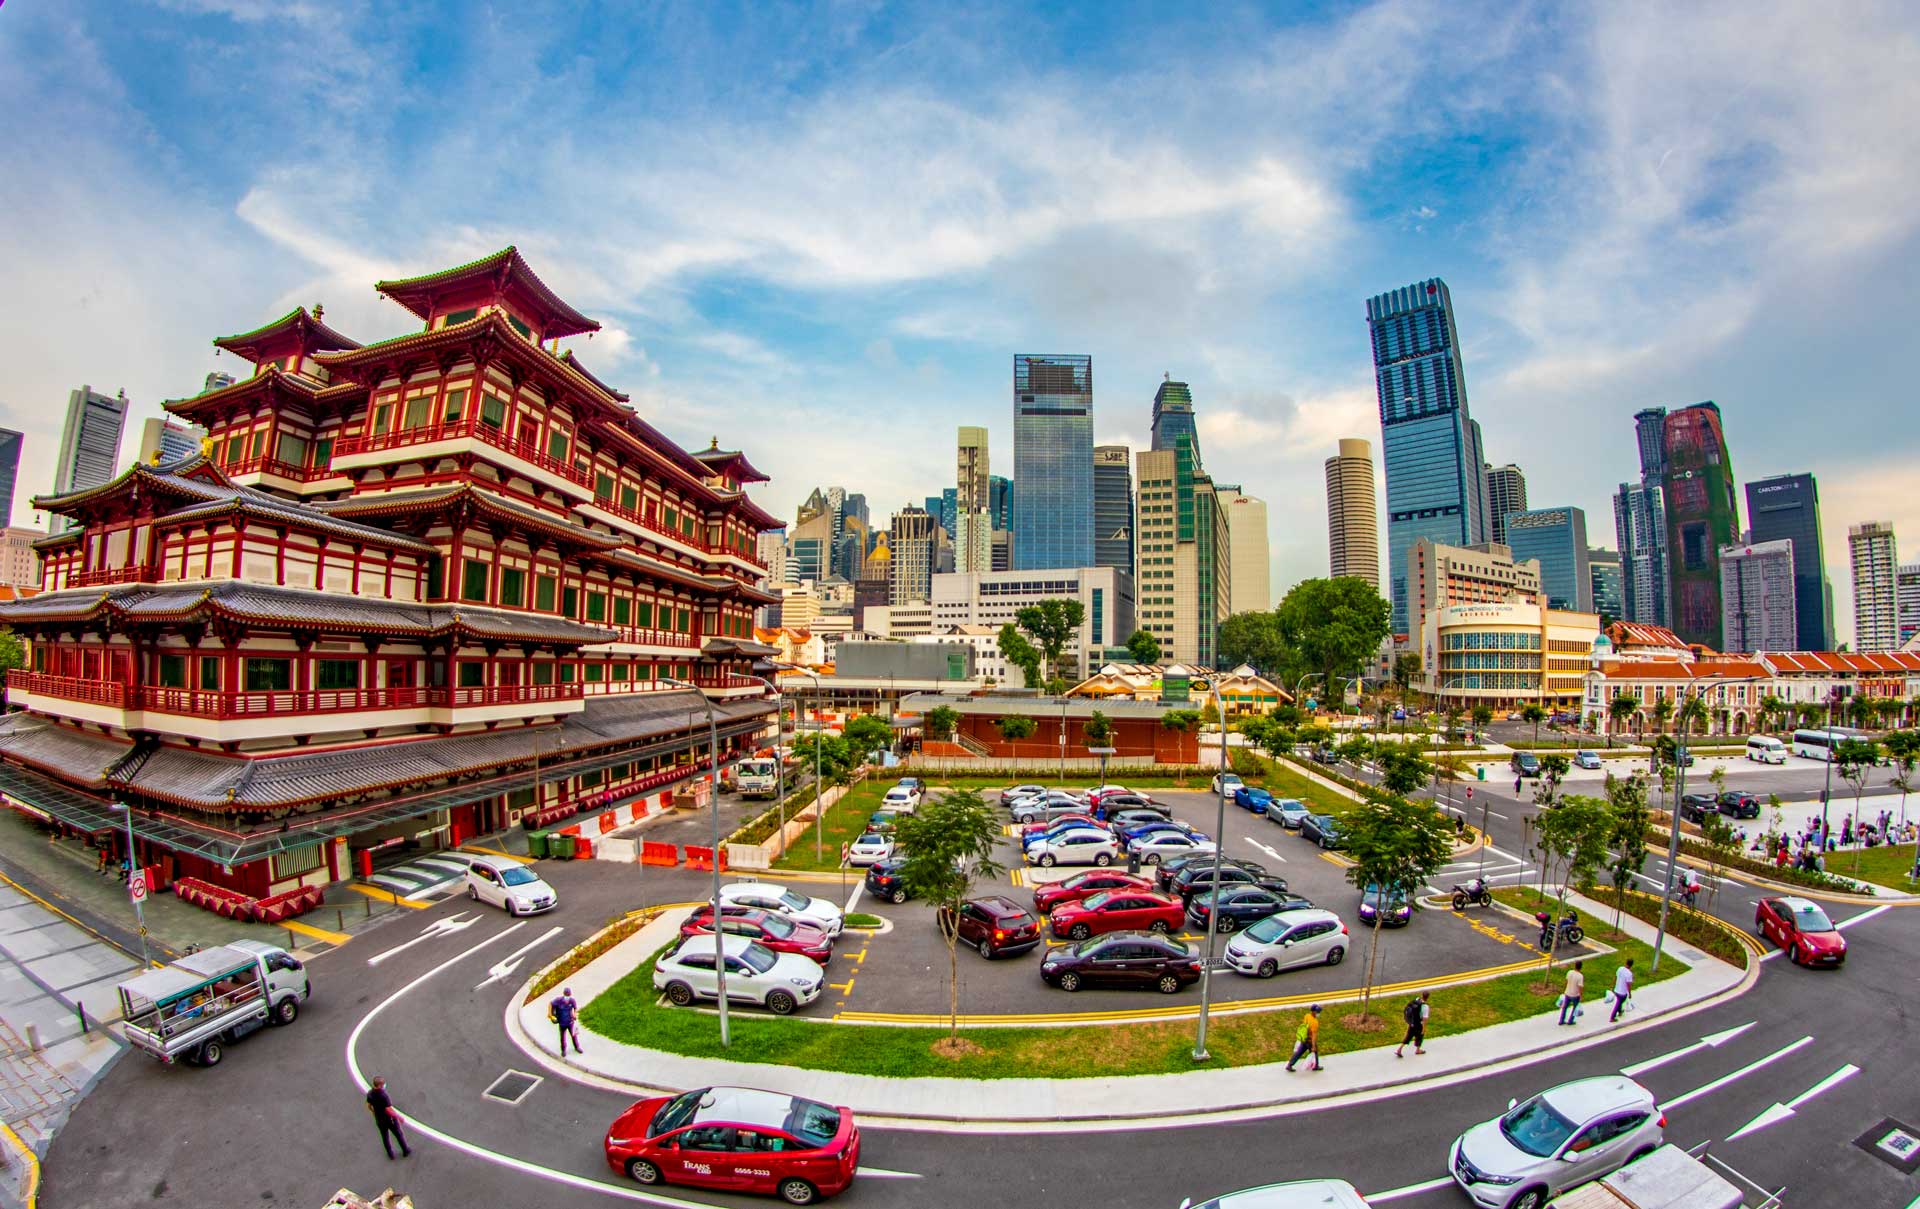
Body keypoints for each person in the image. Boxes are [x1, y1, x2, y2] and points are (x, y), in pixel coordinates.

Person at [366, 1077, 411, 1159]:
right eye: (383, 1084)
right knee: (398, 1134)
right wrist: (399, 1117)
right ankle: (405, 1150)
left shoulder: (370, 1094)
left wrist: (374, 1113)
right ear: (379, 1085)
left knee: (385, 1137)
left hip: (379, 1119)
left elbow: (369, 1106)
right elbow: (388, 1109)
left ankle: (390, 1154)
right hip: (389, 1119)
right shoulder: (383, 1096)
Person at [1285, 1005, 1322, 1072]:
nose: (1318, 1013)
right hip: (1310, 1041)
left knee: (1299, 1052)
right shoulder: (1315, 1022)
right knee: (1315, 1052)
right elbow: (1314, 1035)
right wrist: (1313, 1046)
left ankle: (1289, 1065)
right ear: (1313, 1011)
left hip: (1304, 1038)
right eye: (1317, 1012)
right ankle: (1316, 1066)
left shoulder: (1307, 1016)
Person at [1395, 992, 1429, 1057]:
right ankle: (1418, 1050)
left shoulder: (1417, 1000)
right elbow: (1425, 1019)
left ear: (1421, 996)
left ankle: (1399, 1049)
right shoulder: (1425, 1006)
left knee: (1408, 1036)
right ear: (1427, 998)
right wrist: (1424, 1028)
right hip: (1419, 1023)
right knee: (1420, 1036)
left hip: (1412, 1022)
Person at [551, 986, 582, 1055]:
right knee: (562, 1037)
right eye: (566, 994)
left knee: (574, 1035)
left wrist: (574, 1014)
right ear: (564, 994)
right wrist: (552, 1015)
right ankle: (563, 1050)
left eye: (568, 995)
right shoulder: (558, 1000)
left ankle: (577, 1047)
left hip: (570, 1022)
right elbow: (551, 1004)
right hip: (562, 1023)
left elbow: (575, 1009)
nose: (567, 996)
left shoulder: (572, 1001)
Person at [1558, 960, 1585, 1025]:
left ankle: (1561, 1020)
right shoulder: (1580, 976)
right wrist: (1581, 996)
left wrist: (1564, 989)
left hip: (1567, 993)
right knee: (1575, 1008)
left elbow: (1566, 981)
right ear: (1581, 967)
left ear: (1575, 966)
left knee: (1564, 1007)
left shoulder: (1569, 972)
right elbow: (1580, 987)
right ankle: (1570, 1021)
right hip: (1575, 995)